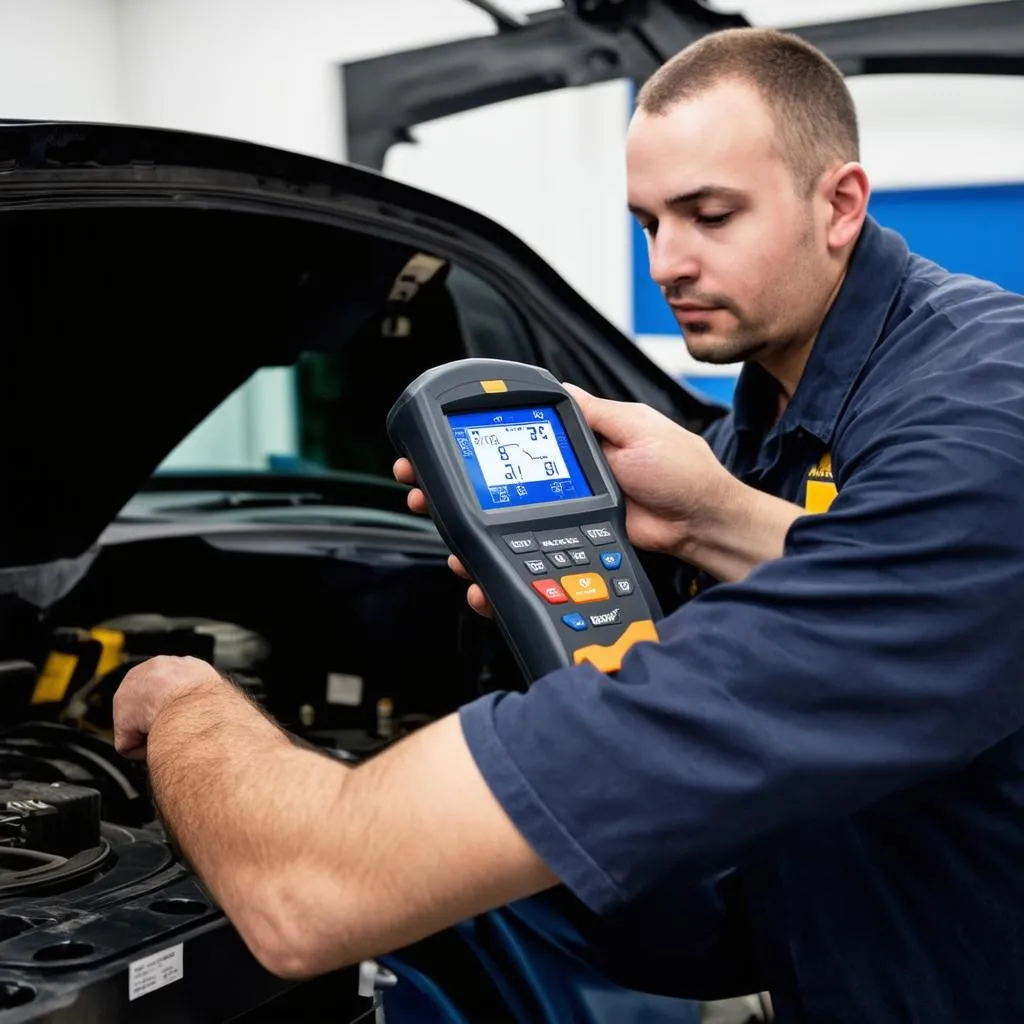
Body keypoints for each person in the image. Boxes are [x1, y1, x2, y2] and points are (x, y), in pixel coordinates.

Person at [112, 25, 1024, 1022]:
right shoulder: (757, 423)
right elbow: (884, 592)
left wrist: (181, 701)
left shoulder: (978, 417)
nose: (669, 262)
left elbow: (305, 892)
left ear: (839, 203)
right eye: (647, 224)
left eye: (709, 215)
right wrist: (711, 514)